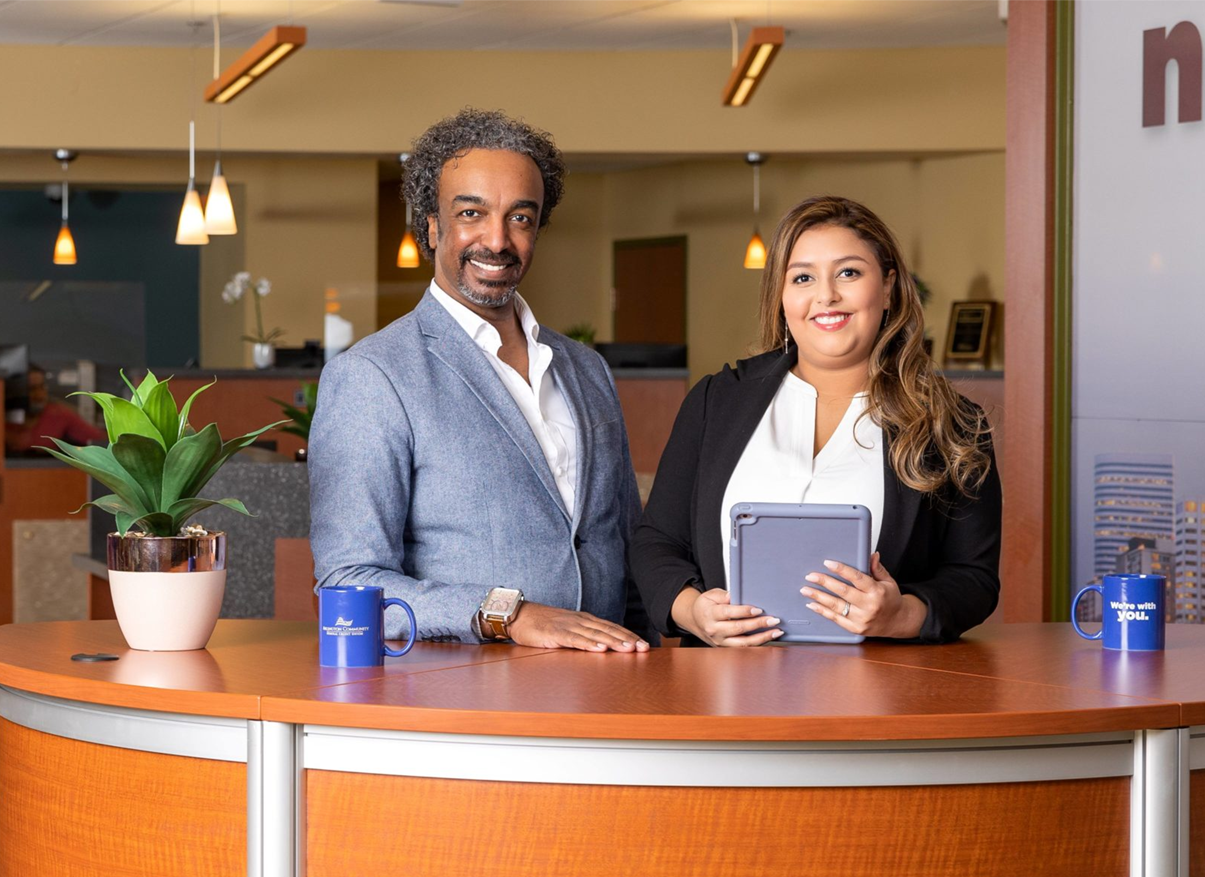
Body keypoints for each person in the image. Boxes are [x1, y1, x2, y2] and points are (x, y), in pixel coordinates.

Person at [308, 109, 651, 651]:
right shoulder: (372, 376)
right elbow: (347, 583)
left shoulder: (586, 369)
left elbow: (626, 552)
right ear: (432, 226)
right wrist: (508, 614)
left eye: (520, 217)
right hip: (470, 699)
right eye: (472, 213)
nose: (498, 240)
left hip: (610, 694)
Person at [630, 196, 1001, 646]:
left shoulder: (952, 424)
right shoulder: (715, 401)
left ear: (887, 288)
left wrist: (902, 614)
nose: (826, 295)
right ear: (782, 298)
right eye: (803, 277)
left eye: (848, 272)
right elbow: (656, 543)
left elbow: (973, 578)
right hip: (724, 692)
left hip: (880, 694)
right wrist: (691, 611)